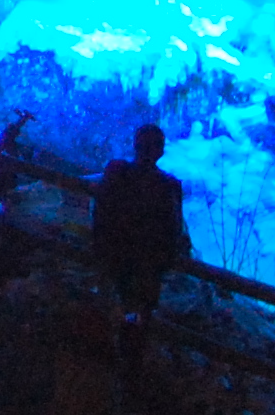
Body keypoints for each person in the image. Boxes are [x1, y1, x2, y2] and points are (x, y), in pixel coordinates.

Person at [89, 123, 192, 380]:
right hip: (146, 264)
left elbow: (100, 213)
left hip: (115, 257)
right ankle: (130, 367)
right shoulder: (168, 186)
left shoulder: (116, 172)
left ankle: (109, 361)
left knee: (114, 307)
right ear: (161, 151)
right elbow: (174, 230)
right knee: (138, 314)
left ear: (135, 145)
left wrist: (101, 247)